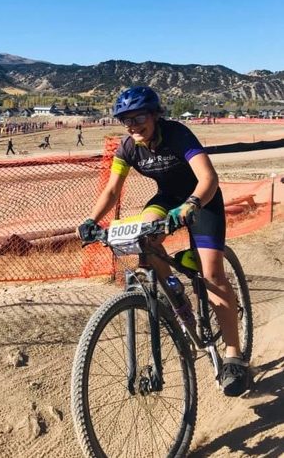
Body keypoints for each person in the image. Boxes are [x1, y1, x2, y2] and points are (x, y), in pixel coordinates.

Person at [77, 86, 249, 397]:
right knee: (145, 235)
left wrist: (192, 204)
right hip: (168, 199)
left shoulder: (178, 135)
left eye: (139, 117)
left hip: (202, 199)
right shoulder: (128, 147)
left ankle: (234, 355)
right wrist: (92, 221)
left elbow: (208, 177)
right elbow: (112, 190)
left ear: (156, 115)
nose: (132, 125)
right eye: (125, 120)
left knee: (212, 274)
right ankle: (176, 293)